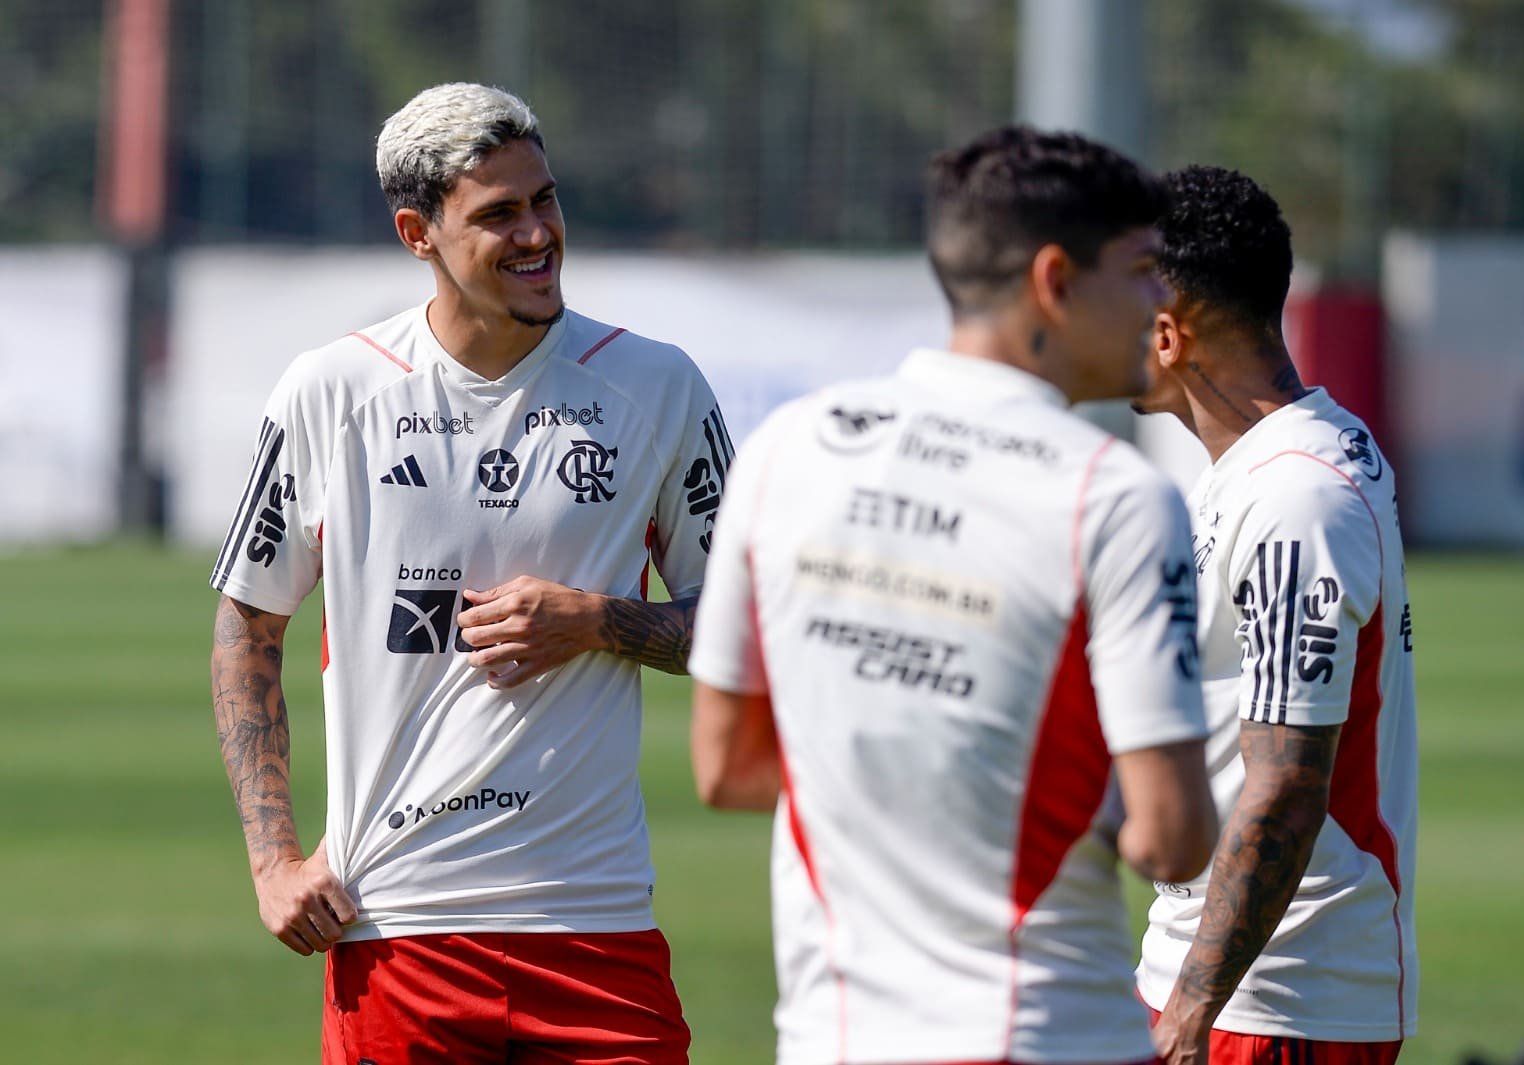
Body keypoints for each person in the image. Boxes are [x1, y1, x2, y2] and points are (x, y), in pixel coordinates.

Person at [208, 82, 725, 1064]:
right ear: (418, 233)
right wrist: (274, 859)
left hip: (594, 924)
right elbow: (248, 623)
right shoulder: (334, 390)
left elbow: (748, 624)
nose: (537, 235)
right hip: (397, 929)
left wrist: (598, 620)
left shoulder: (655, 385)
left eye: (544, 200)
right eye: (498, 215)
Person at [687, 125, 1219, 1065]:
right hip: (1047, 1035)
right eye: (1141, 269)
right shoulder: (1117, 495)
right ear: (1055, 280)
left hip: (829, 1040)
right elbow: (1172, 838)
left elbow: (725, 766)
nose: (1161, 299)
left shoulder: (784, 447)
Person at [1130, 165, 1418, 1065]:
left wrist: (1192, 1009)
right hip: (1229, 990)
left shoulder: (1298, 494)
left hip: (1273, 1006)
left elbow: (1289, 782)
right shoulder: (1271, 467)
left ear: (1169, 333)